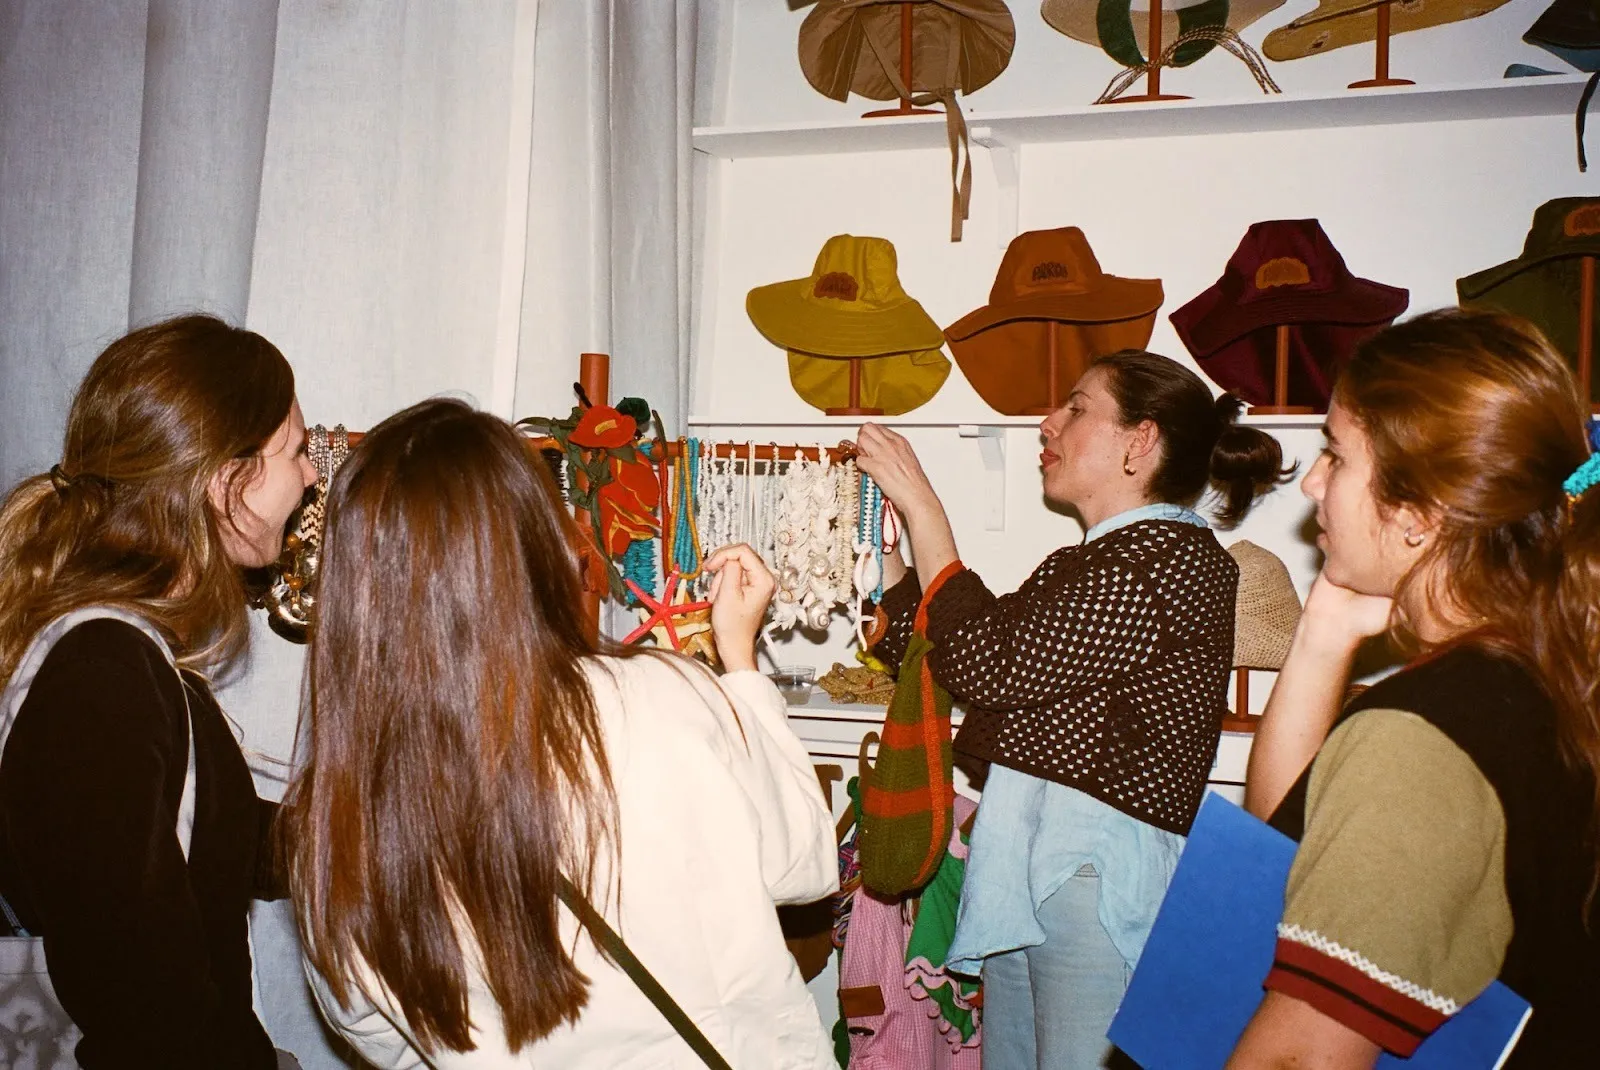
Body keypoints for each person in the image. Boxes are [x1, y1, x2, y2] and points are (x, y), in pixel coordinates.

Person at [285, 398, 839, 1069]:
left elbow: (378, 1034)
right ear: (535, 544)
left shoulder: (336, 814)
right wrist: (741, 664)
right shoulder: (663, 698)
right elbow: (805, 863)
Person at [853, 350, 1290, 1070]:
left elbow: (991, 664)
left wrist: (927, 510)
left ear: (1139, 440)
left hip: (1093, 875)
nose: (1048, 423)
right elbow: (975, 647)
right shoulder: (1094, 561)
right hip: (1034, 862)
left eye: (1077, 408)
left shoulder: (1170, 559)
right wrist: (896, 570)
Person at [1236, 309, 1600, 1068]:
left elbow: (1295, 1057)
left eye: (1335, 455)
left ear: (1414, 517)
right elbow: (1301, 852)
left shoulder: (1420, 738)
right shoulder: (1540, 673)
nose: (1311, 482)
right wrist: (1325, 630)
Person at [0, 314, 316, 1069]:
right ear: (224, 478)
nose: (309, 476)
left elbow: (201, 845)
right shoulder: (101, 673)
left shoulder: (122, 657)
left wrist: (352, 839)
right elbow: (138, 995)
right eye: (297, 452)